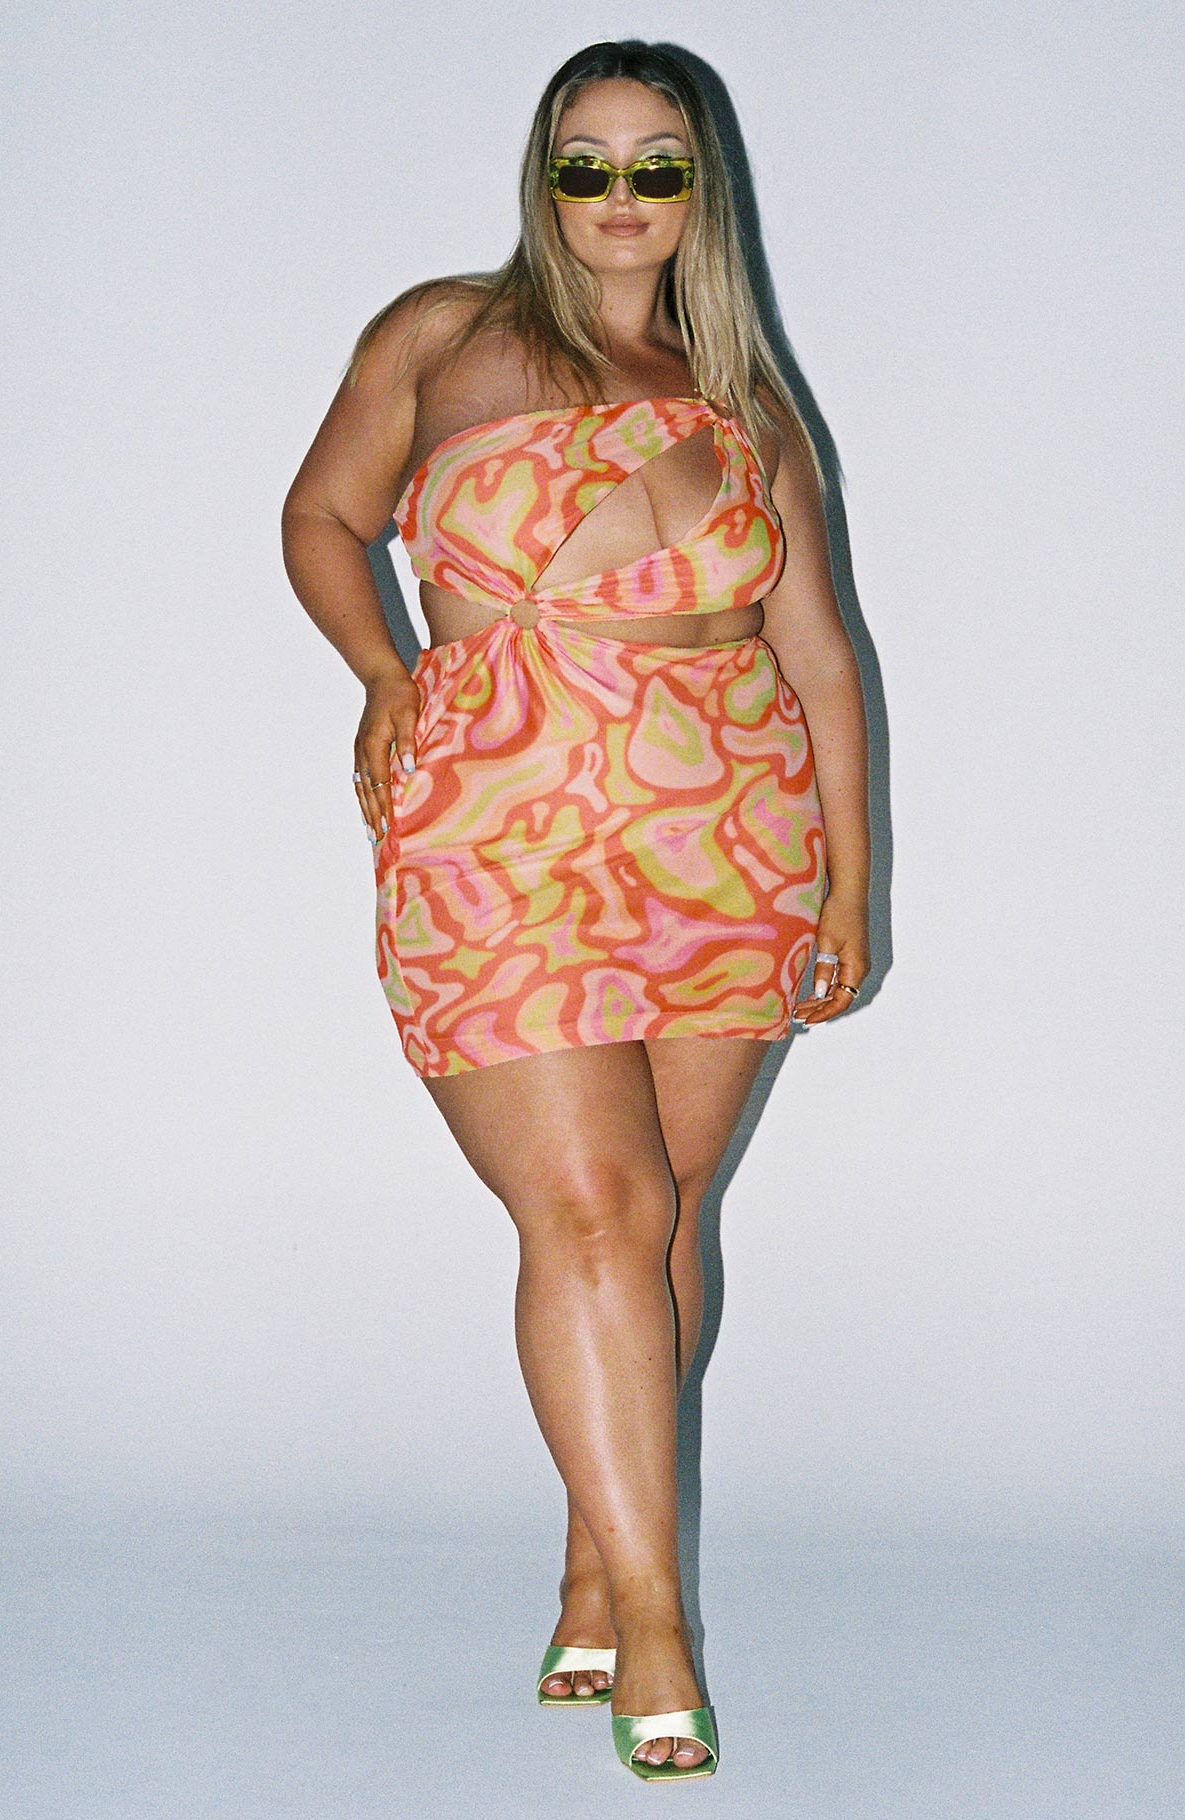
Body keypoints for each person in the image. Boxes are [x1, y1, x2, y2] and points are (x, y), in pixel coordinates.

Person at [281, 38, 870, 1783]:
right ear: (543, 179)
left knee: (667, 1215)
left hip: (733, 832)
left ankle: (598, 1564)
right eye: (586, 163)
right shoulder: (441, 336)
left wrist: (853, 875)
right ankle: (663, 1622)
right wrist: (386, 672)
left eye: (657, 164)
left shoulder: (748, 393)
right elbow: (321, 514)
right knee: (594, 1206)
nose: (621, 196)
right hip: (504, 821)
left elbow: (821, 651)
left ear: (704, 189)